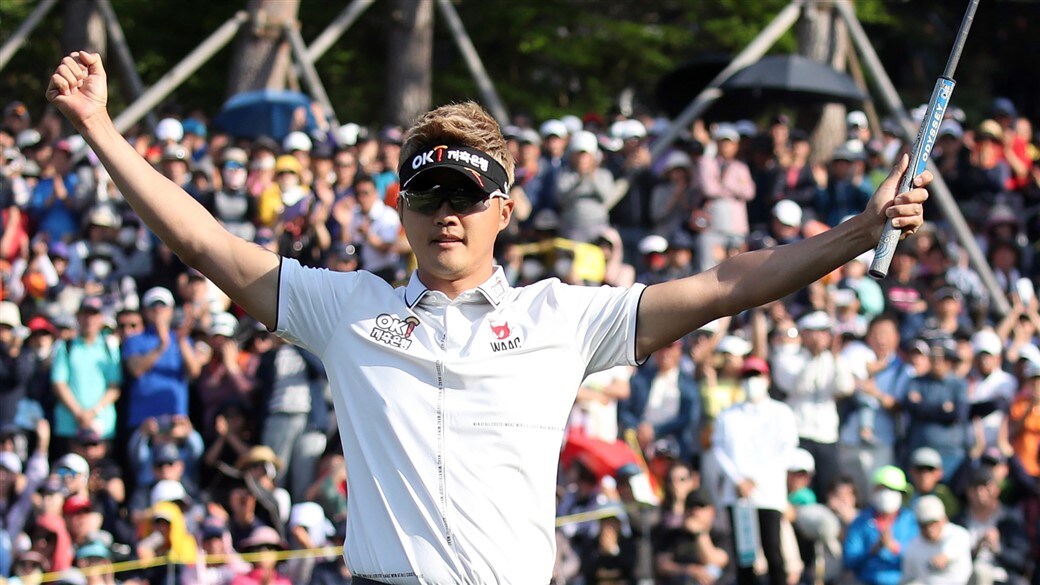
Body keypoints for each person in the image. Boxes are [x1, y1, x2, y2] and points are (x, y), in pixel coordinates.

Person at [46, 51, 929, 583]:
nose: (446, 215)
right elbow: (205, 243)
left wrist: (859, 230)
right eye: (427, 194)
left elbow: (727, 284)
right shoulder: (345, 306)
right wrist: (98, 126)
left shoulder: (563, 315)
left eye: (466, 195)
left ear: (505, 208)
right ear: (400, 207)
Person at [901, 495, 972, 585]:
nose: (930, 529)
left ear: (944, 519)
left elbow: (951, 550)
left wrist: (944, 557)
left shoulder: (959, 534)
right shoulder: (912, 547)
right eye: (924, 525)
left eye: (933, 523)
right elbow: (908, 577)